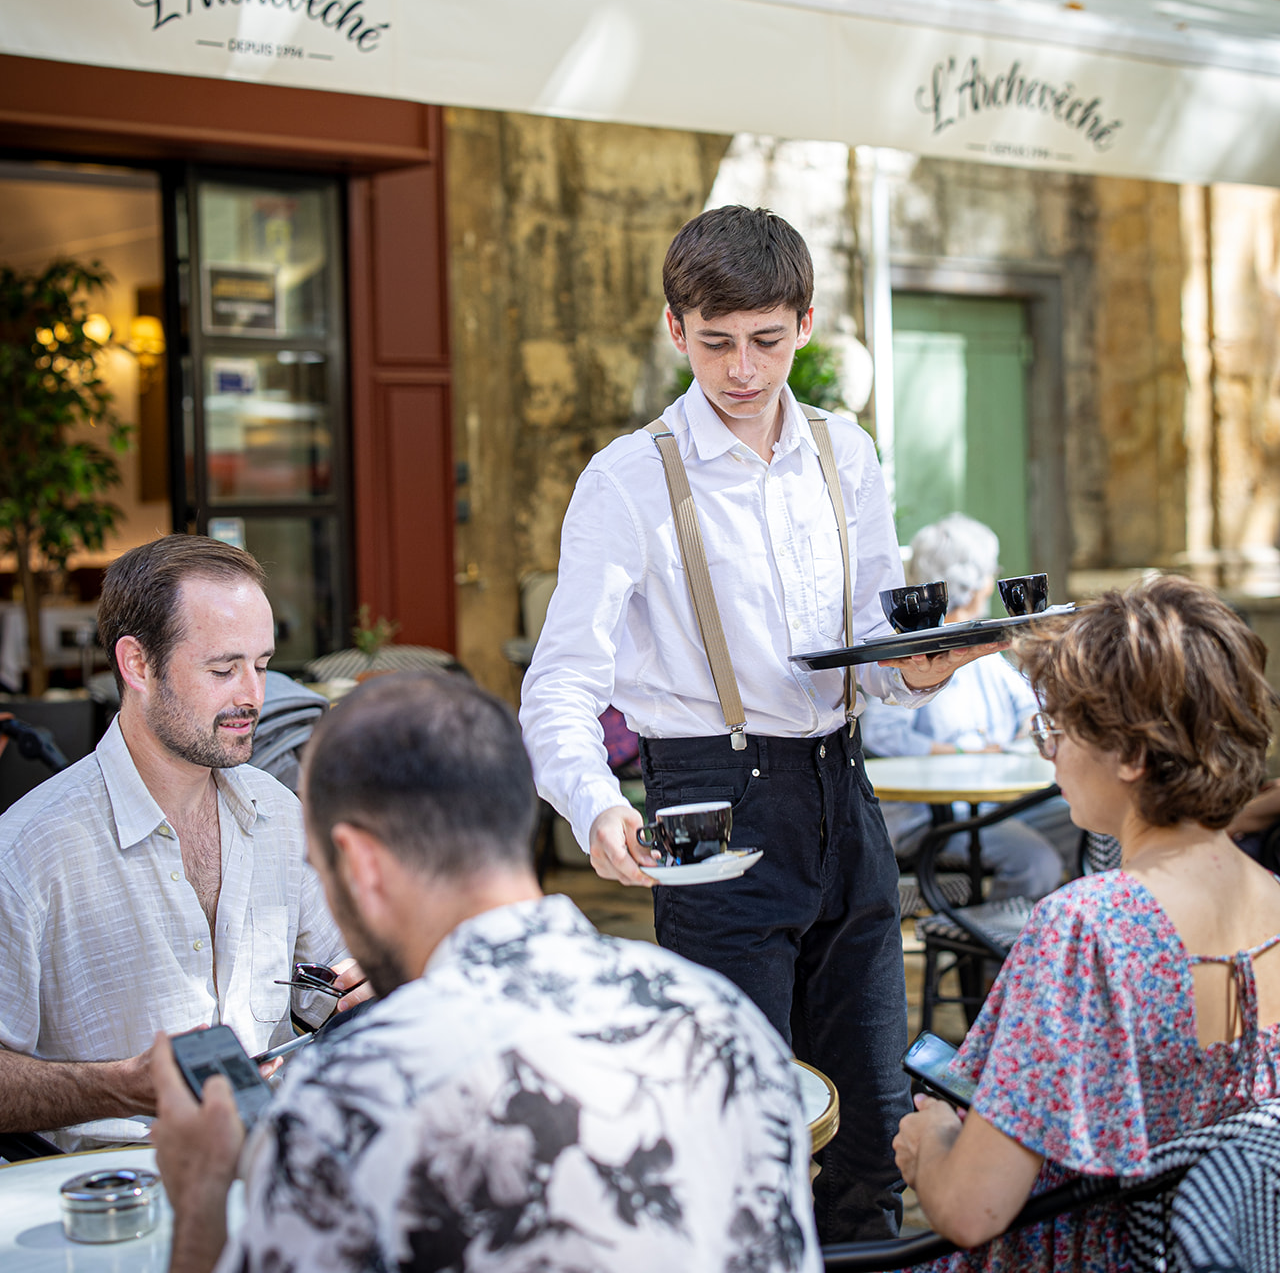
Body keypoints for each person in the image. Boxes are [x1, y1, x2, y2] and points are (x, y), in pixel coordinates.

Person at [520, 205, 992, 1241]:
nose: (741, 368)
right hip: (705, 798)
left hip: (841, 789)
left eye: (766, 340)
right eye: (717, 340)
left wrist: (922, 666)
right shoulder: (628, 477)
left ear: (806, 322)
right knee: (740, 1125)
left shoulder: (846, 449)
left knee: (871, 1131)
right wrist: (597, 805)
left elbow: (873, 637)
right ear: (675, 329)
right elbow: (557, 680)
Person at [153, 671, 823, 1273]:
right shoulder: (722, 1017)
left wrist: (203, 1195)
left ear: (358, 864)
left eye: (318, 870)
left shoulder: (348, 1098)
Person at [893, 576, 1280, 1271]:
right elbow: (1209, 1097)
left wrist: (933, 1145)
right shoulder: (1271, 901)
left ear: (1132, 755)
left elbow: (971, 1211)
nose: (1051, 753)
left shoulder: (1089, 929)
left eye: (1058, 729)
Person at [0, 534, 366, 1152]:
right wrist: (121, 1088)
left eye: (263, 665)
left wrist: (365, 983)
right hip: (112, 1204)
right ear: (137, 665)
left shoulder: (278, 812)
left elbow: (333, 981)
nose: (252, 695)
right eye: (223, 670)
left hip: (274, 1176)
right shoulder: (28, 851)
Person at [862, 513, 1078, 901]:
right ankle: (994, 951)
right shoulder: (914, 653)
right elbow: (883, 733)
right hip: (935, 815)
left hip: (999, 804)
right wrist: (971, 751)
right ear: (979, 583)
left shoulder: (988, 651)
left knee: (1090, 827)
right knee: (1036, 862)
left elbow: (1030, 709)